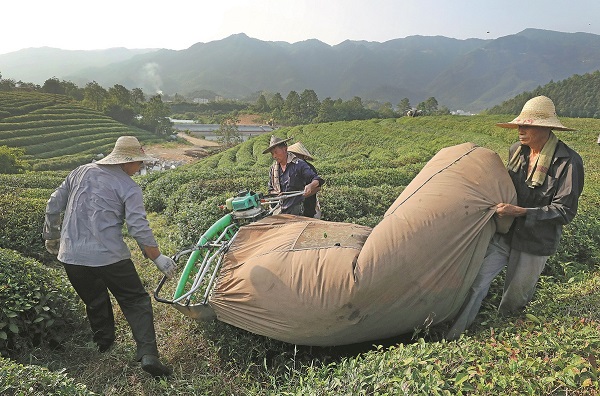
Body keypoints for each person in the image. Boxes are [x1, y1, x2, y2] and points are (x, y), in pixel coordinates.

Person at [446, 96, 584, 340]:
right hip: (506, 232)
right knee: (477, 282)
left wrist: (521, 212)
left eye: (527, 126)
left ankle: (501, 344)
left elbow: (565, 211)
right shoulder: (516, 151)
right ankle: (454, 336)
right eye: (519, 125)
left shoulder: (569, 162)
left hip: (535, 241)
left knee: (514, 299)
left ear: (545, 128)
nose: (520, 130)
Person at [42, 136, 176, 378]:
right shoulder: (128, 186)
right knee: (135, 300)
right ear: (126, 161)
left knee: (94, 300)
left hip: (72, 256)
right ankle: (148, 355)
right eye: (138, 163)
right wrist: (157, 257)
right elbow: (138, 226)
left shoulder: (79, 172)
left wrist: (51, 237)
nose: (140, 168)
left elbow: (53, 204)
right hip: (110, 256)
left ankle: (104, 344)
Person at [263, 135, 324, 215]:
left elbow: (317, 180)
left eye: (276, 152)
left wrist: (310, 186)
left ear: (285, 149)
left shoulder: (299, 165)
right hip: (280, 212)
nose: (274, 156)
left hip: (299, 212)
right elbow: (270, 189)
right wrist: (277, 194)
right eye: (272, 153)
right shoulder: (273, 169)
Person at [287, 141, 322, 219]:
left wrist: (303, 195)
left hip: (307, 206)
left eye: (295, 154)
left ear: (302, 155)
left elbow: (318, 187)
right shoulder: (290, 168)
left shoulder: (309, 167)